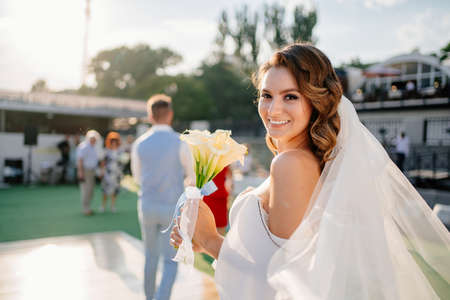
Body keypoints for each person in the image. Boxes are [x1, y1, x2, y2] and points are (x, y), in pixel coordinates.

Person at [170, 44, 450, 299]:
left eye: (290, 96)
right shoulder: (303, 161)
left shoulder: (290, 165)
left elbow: (282, 283)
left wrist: (209, 239)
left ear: (316, 102)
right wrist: (205, 240)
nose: (273, 108)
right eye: (266, 95)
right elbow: (269, 256)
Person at [131, 94, 195, 300]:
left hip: (147, 205)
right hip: (171, 207)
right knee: (170, 260)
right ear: (170, 115)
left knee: (150, 257)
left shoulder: (139, 143)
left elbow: (137, 177)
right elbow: (191, 176)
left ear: (150, 116)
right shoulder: (180, 142)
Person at [203, 166, 232, 235]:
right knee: (218, 232)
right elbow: (230, 176)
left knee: (210, 232)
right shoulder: (225, 157)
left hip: (213, 196)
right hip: (214, 196)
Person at [76, 130, 100, 216]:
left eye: (95, 138)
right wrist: (80, 172)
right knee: (86, 190)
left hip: (92, 171)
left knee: (90, 190)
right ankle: (86, 209)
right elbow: (80, 160)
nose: (94, 140)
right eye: (92, 138)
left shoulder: (93, 147)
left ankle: (88, 207)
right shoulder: (84, 147)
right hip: (85, 170)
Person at [100, 131, 124, 213]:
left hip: (117, 173)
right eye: (112, 141)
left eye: (115, 141)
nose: (114, 143)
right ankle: (103, 206)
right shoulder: (106, 151)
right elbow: (103, 162)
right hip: (108, 173)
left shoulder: (120, 151)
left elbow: (123, 162)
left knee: (115, 190)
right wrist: (102, 171)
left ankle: (113, 206)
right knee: (105, 190)